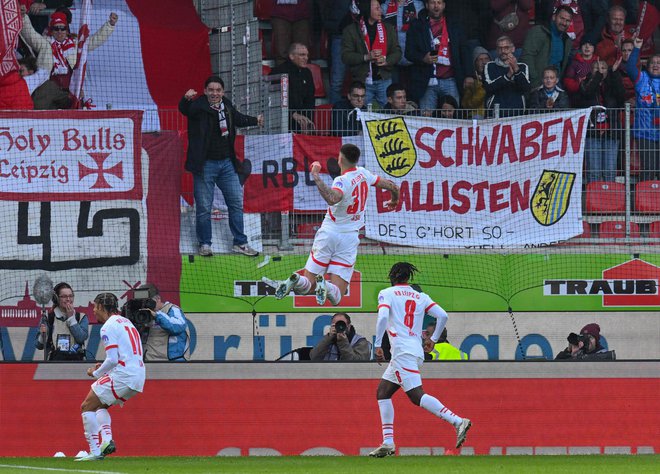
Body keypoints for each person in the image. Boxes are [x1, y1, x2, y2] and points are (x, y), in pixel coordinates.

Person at [264, 143, 400, 306]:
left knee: (307, 286)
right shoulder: (363, 173)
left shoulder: (342, 181)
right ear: (356, 159)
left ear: (340, 159)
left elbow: (332, 198)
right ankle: (326, 286)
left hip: (328, 234)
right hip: (349, 238)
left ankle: (297, 279)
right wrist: (394, 199)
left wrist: (315, 175)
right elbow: (392, 186)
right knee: (337, 297)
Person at [369, 262, 471, 457]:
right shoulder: (420, 296)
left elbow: (382, 317)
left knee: (417, 396)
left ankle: (458, 421)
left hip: (401, 352)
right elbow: (443, 315)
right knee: (383, 392)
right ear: (409, 277)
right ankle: (388, 442)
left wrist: (378, 345)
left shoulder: (387, 293)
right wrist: (433, 339)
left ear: (392, 276)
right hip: (414, 350)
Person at [179, 75, 263, 257]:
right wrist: (185, 99)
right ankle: (205, 244)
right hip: (205, 165)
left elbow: (238, 118)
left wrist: (255, 120)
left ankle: (240, 243)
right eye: (211, 90)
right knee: (203, 208)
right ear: (205, 91)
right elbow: (185, 110)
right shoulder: (198, 107)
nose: (215, 93)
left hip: (227, 164)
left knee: (235, 203)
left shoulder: (226, 105)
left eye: (218, 90)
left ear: (222, 92)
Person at [75, 293, 145, 461]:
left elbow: (113, 359)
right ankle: (106, 441)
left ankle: (95, 452)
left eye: (95, 307)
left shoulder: (108, 326)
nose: (93, 310)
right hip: (138, 375)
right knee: (101, 406)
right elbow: (121, 356)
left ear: (100, 307)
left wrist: (96, 373)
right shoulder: (127, 323)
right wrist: (105, 370)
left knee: (86, 406)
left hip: (124, 374)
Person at [20, 9, 118, 92]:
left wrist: (110, 25)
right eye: (56, 28)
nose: (59, 31)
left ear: (66, 30)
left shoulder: (75, 44)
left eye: (62, 28)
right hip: (48, 88)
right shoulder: (45, 44)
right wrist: (23, 16)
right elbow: (30, 34)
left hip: (71, 88)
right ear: (51, 30)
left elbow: (95, 40)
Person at [405, 0, 466, 111]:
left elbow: (464, 51)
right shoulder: (416, 25)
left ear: (444, 5)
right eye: (433, 2)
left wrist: (469, 75)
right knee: (427, 121)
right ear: (427, 5)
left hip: (450, 79)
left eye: (439, 2)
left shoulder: (454, 23)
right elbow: (409, 52)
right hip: (427, 81)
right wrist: (423, 58)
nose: (436, 6)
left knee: (452, 121)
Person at [342, 0, 402, 107]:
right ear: (367, 10)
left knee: (388, 115)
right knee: (361, 115)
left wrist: (386, 61)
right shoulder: (351, 30)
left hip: (384, 79)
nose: (381, 10)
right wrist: (366, 57)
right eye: (377, 8)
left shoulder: (388, 28)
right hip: (363, 81)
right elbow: (346, 56)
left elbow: (397, 52)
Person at [575, 59, 625, 183]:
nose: (600, 71)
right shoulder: (585, 83)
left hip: (611, 132)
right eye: (596, 68)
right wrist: (596, 77)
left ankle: (610, 201)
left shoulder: (612, 84)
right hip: (592, 132)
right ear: (591, 71)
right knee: (594, 172)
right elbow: (587, 93)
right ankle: (592, 202)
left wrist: (612, 74)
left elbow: (621, 96)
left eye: (603, 68)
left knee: (609, 171)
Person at [624, 37, 660, 182]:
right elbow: (630, 67)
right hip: (645, 134)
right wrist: (637, 48)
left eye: (659, 63)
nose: (656, 65)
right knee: (649, 170)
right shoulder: (642, 79)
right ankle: (646, 204)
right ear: (647, 65)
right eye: (653, 63)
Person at [520, 5, 573, 89]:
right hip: (537, 84)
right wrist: (536, 82)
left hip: (556, 85)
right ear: (554, 17)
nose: (564, 23)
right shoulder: (539, 31)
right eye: (562, 18)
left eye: (567, 20)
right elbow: (526, 57)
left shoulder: (567, 41)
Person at [34, 282, 89, 361]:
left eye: (71, 296)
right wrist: (43, 336)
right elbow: (38, 345)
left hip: (76, 361)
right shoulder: (48, 317)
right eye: (64, 296)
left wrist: (71, 318)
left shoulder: (81, 317)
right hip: (54, 362)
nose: (68, 299)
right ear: (56, 298)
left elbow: (81, 338)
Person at [271, 42, 316, 133]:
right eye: (302, 55)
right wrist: (292, 114)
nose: (306, 58)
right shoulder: (279, 72)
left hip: (302, 119)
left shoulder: (307, 73)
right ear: (291, 56)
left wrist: (307, 118)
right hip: (281, 120)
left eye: (307, 55)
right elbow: (274, 99)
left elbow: (310, 98)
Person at [138, 284, 190, 362]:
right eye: (141, 301)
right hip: (149, 361)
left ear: (158, 299)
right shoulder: (141, 314)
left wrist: (156, 315)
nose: (145, 305)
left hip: (173, 361)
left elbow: (178, 327)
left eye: (148, 301)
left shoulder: (172, 309)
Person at [483, 35, 531, 116]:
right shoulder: (489, 66)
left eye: (506, 48)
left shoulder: (523, 66)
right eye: (500, 48)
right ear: (497, 50)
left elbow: (526, 87)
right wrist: (508, 76)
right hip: (495, 113)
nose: (503, 51)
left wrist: (516, 69)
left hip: (517, 114)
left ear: (513, 49)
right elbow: (489, 87)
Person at [270, 0, 312, 66]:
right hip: (280, 12)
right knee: (281, 53)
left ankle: (302, 75)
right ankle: (283, 75)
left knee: (302, 52)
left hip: (302, 12)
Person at [563, 37, 599, 104]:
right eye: (584, 44)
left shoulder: (598, 62)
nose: (587, 47)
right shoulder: (574, 63)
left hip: (596, 97)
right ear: (580, 47)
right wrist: (579, 85)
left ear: (594, 48)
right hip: (578, 97)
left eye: (590, 45)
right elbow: (567, 81)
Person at [461, 46, 490, 119]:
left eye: (486, 59)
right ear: (475, 62)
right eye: (480, 59)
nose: (484, 62)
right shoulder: (471, 81)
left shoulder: (496, 76)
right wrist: (479, 86)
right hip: (477, 116)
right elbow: (466, 105)